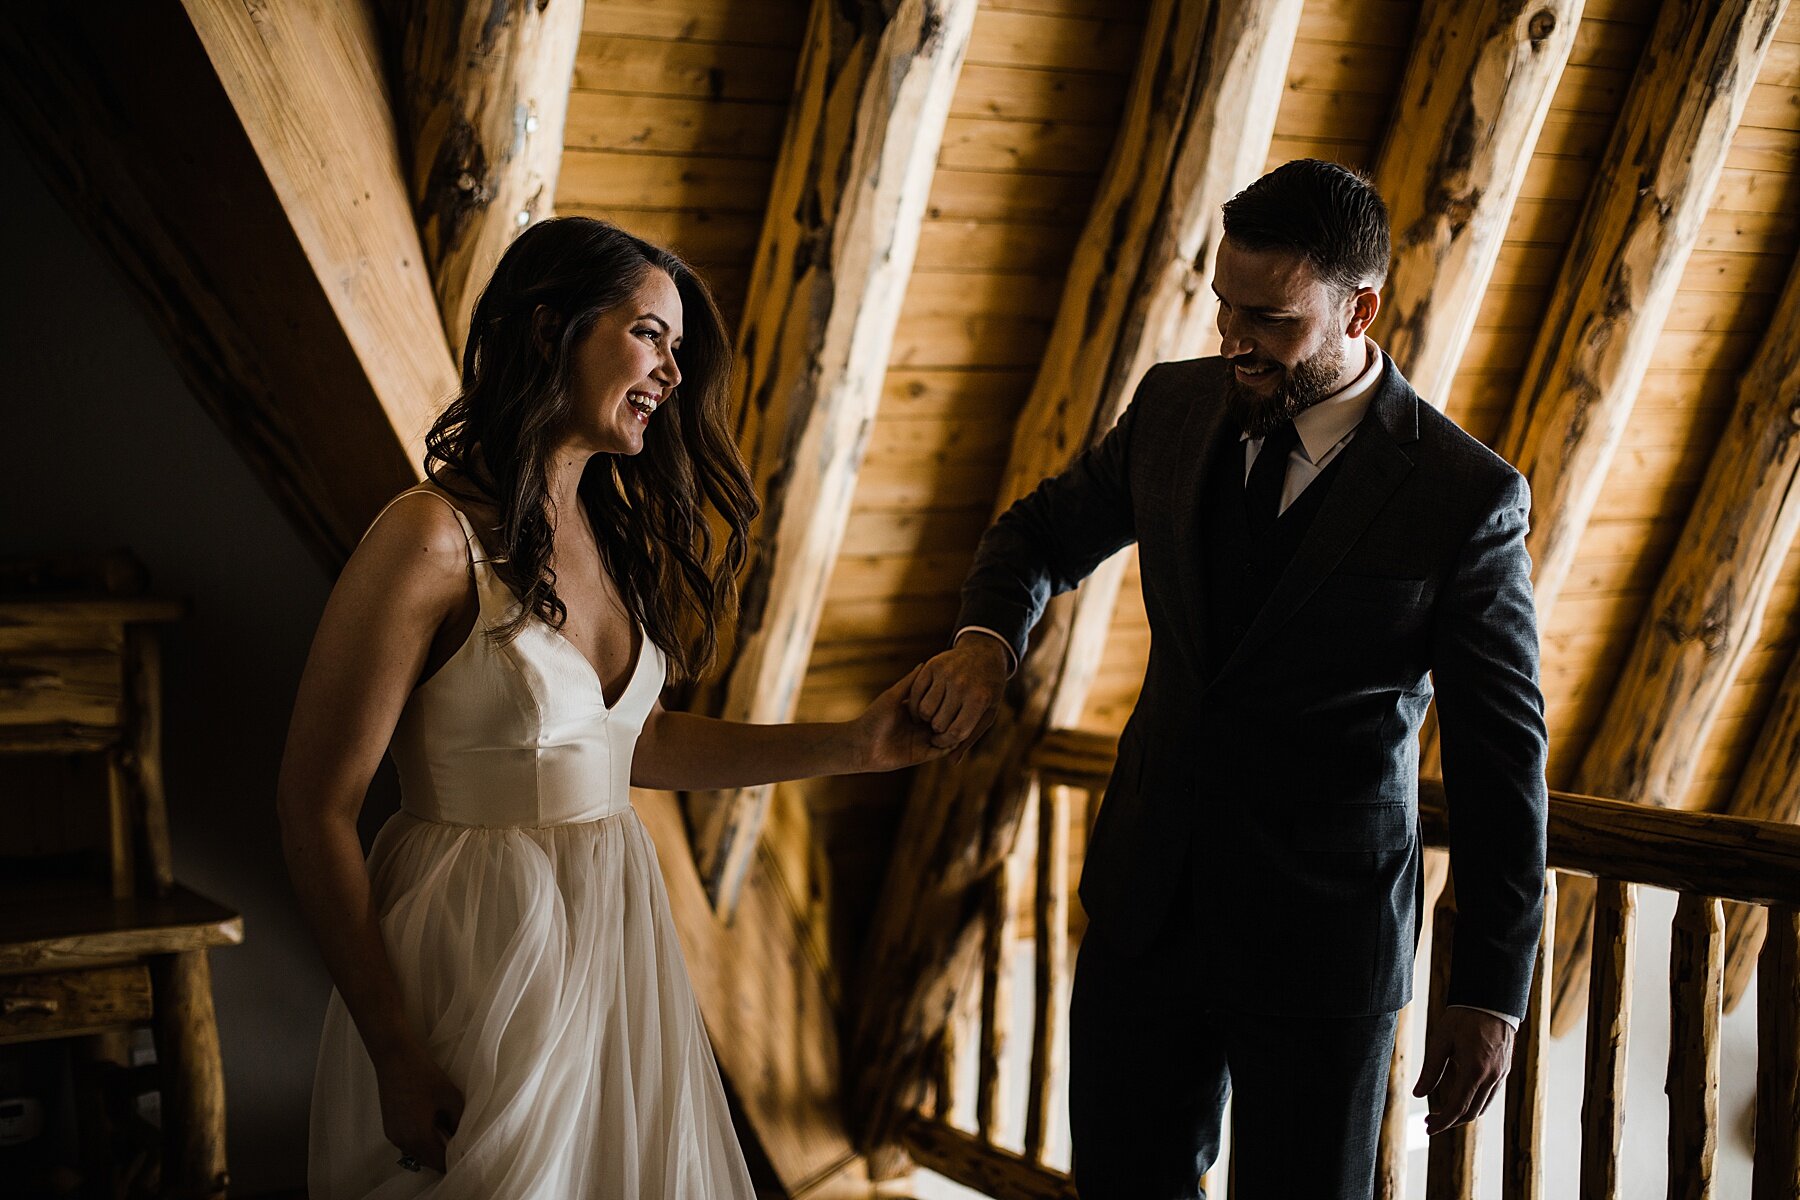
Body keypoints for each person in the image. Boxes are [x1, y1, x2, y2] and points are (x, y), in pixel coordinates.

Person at [908, 160, 1549, 1197]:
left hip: (1326, 946)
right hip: (1144, 909)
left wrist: (1491, 991)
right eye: (1224, 306)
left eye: (1271, 319)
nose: (1233, 339)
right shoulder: (1174, 405)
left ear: (1361, 309)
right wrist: (988, 639)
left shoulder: (1465, 497)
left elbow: (1501, 760)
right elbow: (1038, 535)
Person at [278, 217, 943, 1199]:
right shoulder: (428, 539)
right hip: (481, 949)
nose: (673, 373)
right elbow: (314, 806)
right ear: (550, 330)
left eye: (679, 348)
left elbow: (630, 742)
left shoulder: (602, 531)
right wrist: (394, 1051)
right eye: (649, 334)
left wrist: (853, 747)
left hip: (616, 942)